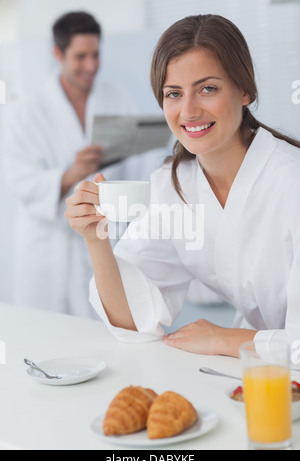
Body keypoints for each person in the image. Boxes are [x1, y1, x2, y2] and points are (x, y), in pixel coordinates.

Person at [65, 14, 300, 358]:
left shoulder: (290, 180)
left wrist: (226, 339)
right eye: (174, 93)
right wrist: (96, 239)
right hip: (259, 371)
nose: (188, 111)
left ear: (245, 90)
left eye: (208, 89)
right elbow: (133, 320)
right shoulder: (172, 187)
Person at [4, 11, 164, 319]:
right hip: (48, 247)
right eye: (80, 56)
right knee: (44, 331)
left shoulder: (116, 97)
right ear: (57, 54)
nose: (91, 66)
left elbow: (138, 166)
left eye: (95, 55)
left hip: (102, 234)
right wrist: (71, 175)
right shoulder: (29, 113)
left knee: (103, 325)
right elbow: (20, 182)